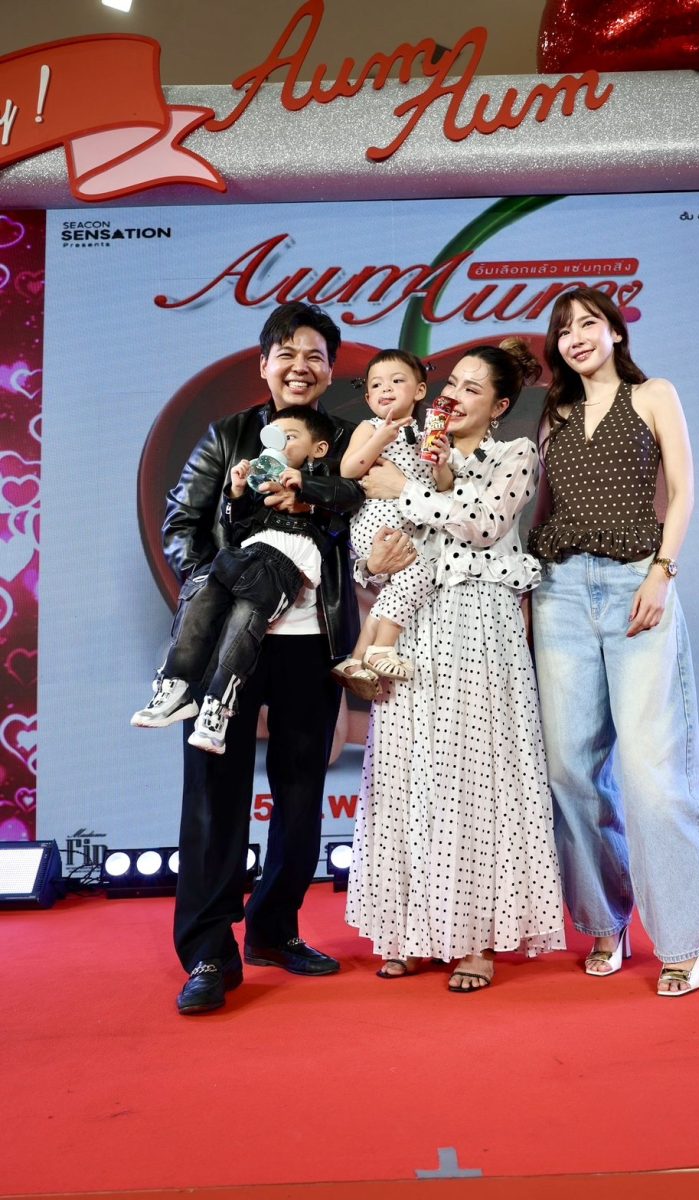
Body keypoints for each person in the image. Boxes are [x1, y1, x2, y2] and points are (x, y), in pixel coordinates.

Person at [160, 300, 416, 1014]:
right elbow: (182, 525)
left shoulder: (346, 443)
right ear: (264, 364)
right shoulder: (228, 435)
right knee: (214, 794)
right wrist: (227, 581)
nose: (300, 367)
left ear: (330, 372)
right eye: (287, 354)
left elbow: (363, 526)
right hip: (231, 645)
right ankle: (208, 953)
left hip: (314, 640)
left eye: (314, 357)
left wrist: (363, 556)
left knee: (301, 792)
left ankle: (274, 930)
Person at [345, 338, 566, 991]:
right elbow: (378, 530)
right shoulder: (408, 444)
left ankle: (476, 939)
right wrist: (369, 563)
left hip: (479, 621)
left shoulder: (514, 454)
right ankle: (412, 932)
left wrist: (406, 491)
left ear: (498, 405)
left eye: (473, 388)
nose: (455, 396)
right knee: (406, 772)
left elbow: (484, 524)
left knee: (477, 777)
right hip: (413, 624)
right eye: (452, 384)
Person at [527, 286, 699, 998]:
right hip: (559, 592)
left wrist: (662, 572)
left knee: (650, 772)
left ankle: (681, 941)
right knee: (570, 771)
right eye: (564, 330)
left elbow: (684, 491)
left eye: (589, 323)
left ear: (614, 331)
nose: (576, 337)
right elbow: (541, 510)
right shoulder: (555, 415)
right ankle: (605, 921)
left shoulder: (653, 395)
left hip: (638, 580)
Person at [131, 407, 337, 754]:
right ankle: (190, 694)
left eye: (289, 437)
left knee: (231, 600)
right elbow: (235, 529)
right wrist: (237, 492)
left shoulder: (325, 480)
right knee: (218, 600)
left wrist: (306, 491)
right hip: (246, 560)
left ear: (318, 449)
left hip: (281, 571)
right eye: (274, 439)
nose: (280, 445)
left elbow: (347, 499)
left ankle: (199, 697)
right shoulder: (259, 481)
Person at [334, 349, 452, 692]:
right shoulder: (369, 428)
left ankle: (357, 659)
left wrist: (442, 464)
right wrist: (379, 440)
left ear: (419, 390)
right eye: (376, 385)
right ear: (368, 398)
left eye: (397, 381)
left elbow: (442, 489)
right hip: (377, 522)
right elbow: (348, 469)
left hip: (409, 527)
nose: (386, 389)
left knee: (405, 583)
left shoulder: (428, 435)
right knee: (418, 575)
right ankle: (382, 650)